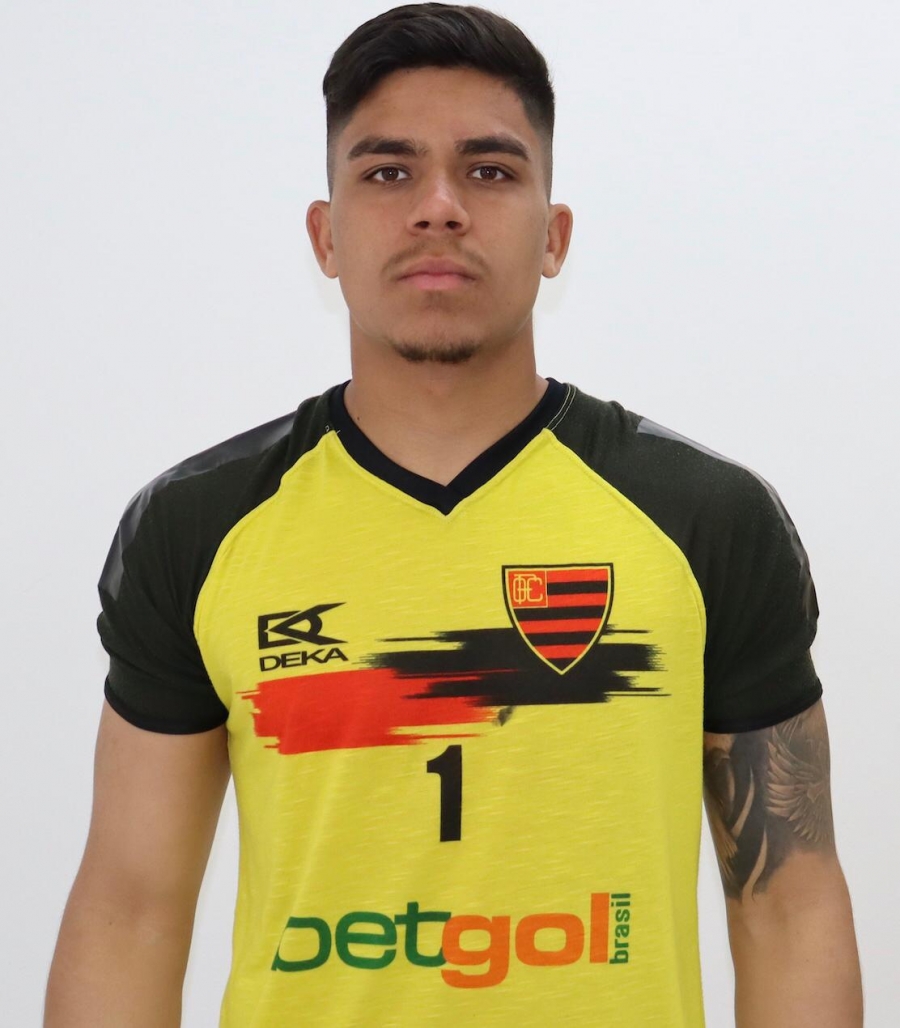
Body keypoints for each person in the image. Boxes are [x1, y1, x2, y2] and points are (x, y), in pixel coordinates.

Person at [45, 4, 863, 1026]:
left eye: (490, 170)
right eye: (389, 172)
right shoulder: (198, 527)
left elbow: (787, 902)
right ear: (326, 235)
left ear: (554, 236)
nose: (439, 207)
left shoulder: (707, 517)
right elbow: (130, 911)